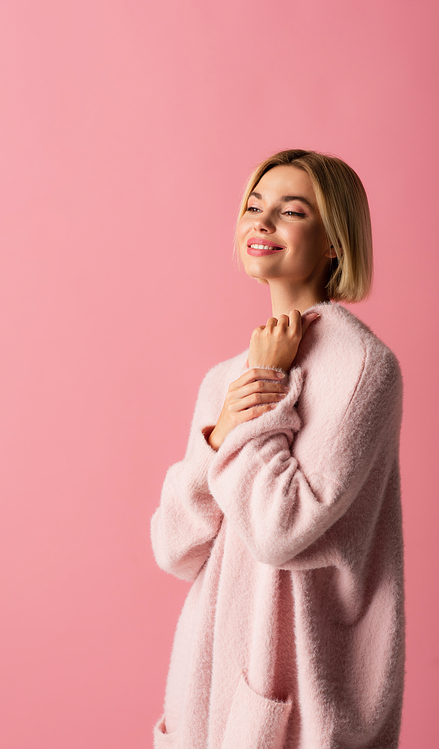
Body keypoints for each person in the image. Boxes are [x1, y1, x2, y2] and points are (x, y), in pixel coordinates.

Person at [151, 149, 404, 749]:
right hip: (205, 693)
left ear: (335, 241)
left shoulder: (363, 367)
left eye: (290, 211)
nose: (261, 224)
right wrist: (218, 438)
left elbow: (280, 529)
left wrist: (259, 410)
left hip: (303, 709)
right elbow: (175, 547)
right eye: (253, 207)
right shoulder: (227, 378)